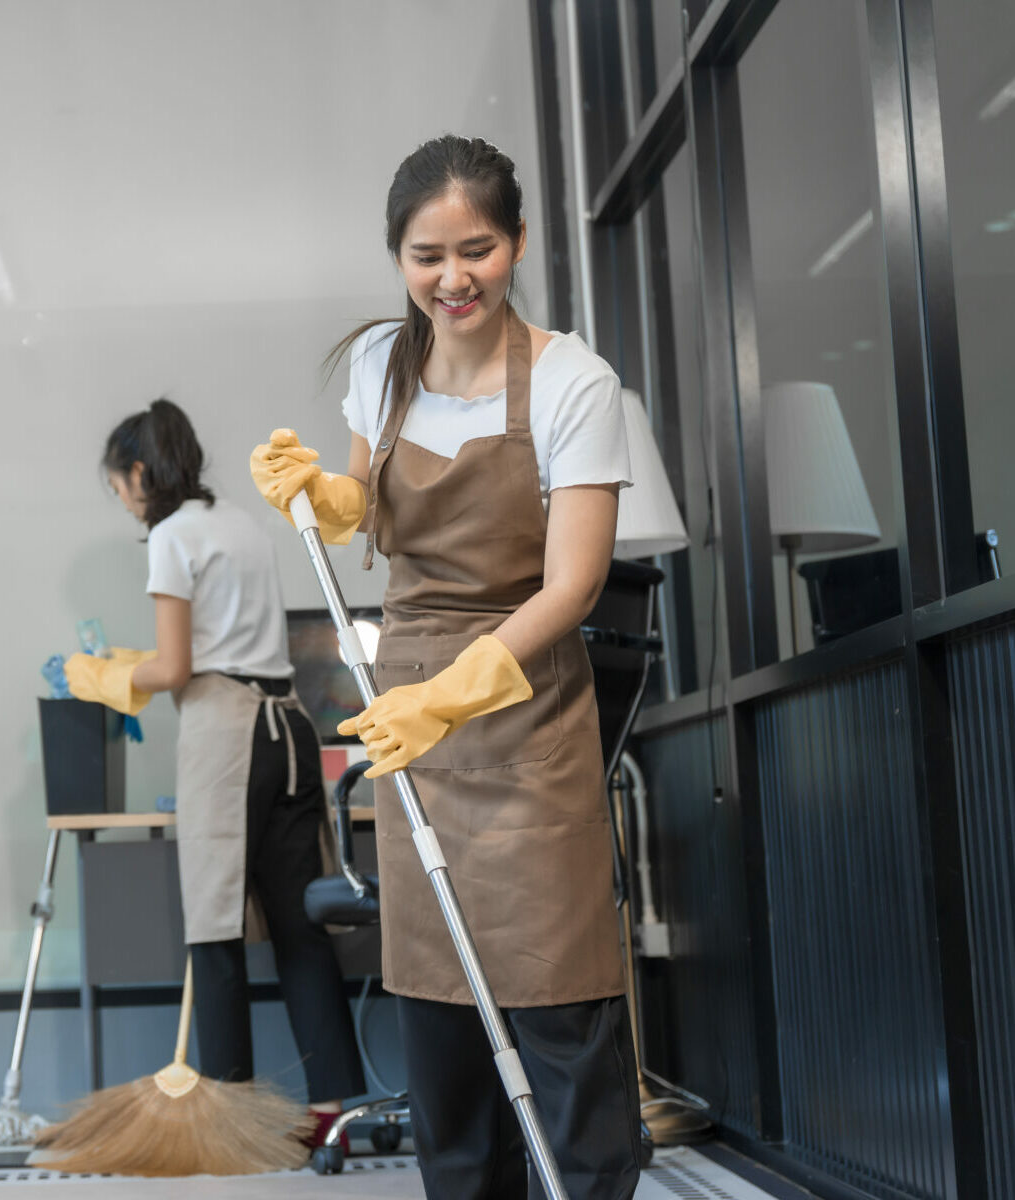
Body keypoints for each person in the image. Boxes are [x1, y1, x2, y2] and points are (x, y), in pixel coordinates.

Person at [249, 135, 641, 1199]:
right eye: (428, 256)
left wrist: (455, 694)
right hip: (407, 715)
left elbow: (571, 585)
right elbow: (371, 505)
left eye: (478, 249)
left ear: (518, 243)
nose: (453, 277)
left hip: (520, 709)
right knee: (443, 1021)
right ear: (398, 259)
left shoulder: (573, 381)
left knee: (559, 1006)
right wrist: (321, 499)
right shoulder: (384, 364)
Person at [65, 398, 365, 1147]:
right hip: (289, 729)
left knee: (215, 927)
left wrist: (101, 675)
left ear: (139, 472)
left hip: (226, 733)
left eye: (120, 488)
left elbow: (175, 667)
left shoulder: (171, 536)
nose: (126, 503)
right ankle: (337, 1111)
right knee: (300, 927)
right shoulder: (243, 522)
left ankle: (231, 1121)